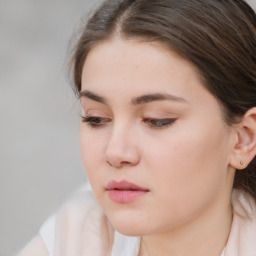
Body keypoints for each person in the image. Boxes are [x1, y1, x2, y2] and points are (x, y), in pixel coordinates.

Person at [17, 0, 256, 255]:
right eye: (96, 118)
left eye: (157, 120)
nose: (115, 152)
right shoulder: (73, 236)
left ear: (243, 139)